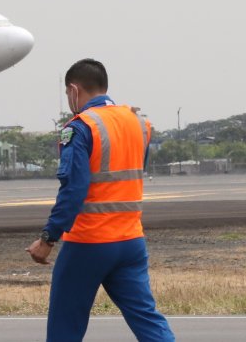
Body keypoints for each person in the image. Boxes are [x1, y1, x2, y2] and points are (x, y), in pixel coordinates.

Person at [25, 58, 174, 342]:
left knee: (65, 327)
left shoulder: (80, 127)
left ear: (74, 90)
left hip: (89, 242)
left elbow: (74, 189)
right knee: (147, 320)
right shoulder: (139, 124)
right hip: (131, 241)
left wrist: (48, 239)